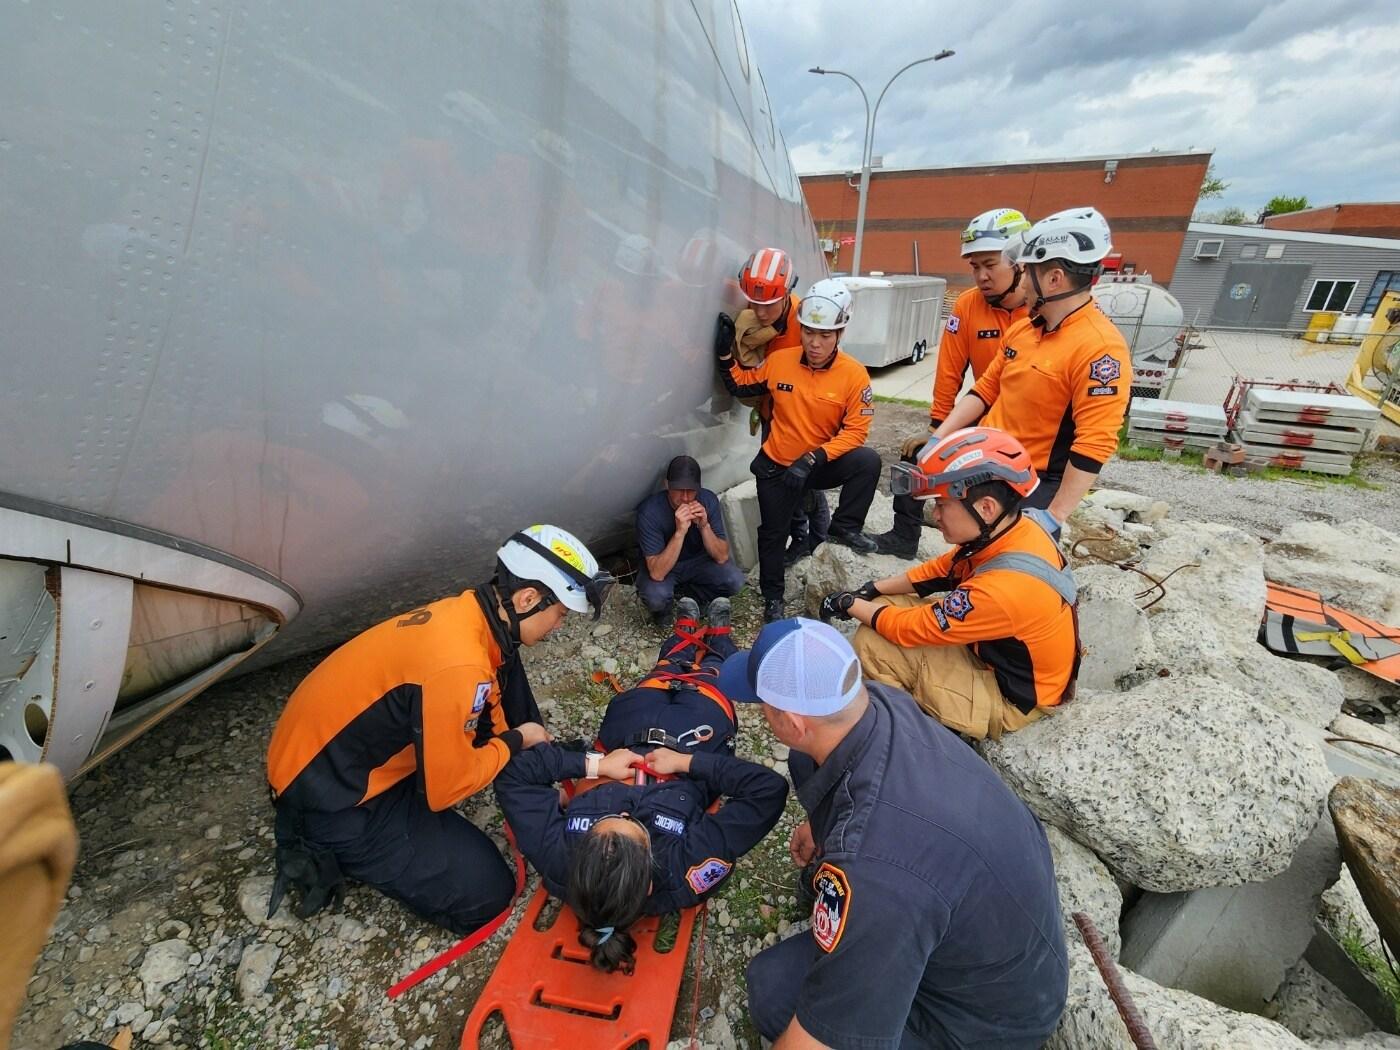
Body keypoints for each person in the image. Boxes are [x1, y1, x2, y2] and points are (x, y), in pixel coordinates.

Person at [718, 618, 1069, 1049]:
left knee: (773, 992)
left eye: (762, 705)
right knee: (806, 764)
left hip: (983, 1024)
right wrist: (822, 826)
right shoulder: (882, 703)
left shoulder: (875, 868)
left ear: (792, 721)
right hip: (996, 945)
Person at [264, 524, 613, 934]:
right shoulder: (459, 666)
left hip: (329, 753)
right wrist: (514, 740)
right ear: (527, 598)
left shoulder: (471, 615)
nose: (559, 628)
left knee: (508, 659)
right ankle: (328, 848)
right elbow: (444, 791)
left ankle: (532, 764)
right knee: (488, 893)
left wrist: (538, 752)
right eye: (559, 616)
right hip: (333, 800)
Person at [495, 597, 787, 973]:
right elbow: (767, 790)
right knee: (710, 678)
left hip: (624, 737)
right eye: (633, 824)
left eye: (606, 819)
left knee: (663, 673)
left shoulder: (560, 857)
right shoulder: (683, 869)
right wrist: (686, 762)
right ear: (650, 881)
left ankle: (683, 637)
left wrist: (597, 764)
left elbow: (513, 776)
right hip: (692, 740)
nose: (624, 809)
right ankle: (718, 642)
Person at [820, 428, 1079, 741]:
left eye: (942, 504)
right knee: (884, 608)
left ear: (986, 508)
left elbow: (912, 628)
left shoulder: (1006, 589)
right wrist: (874, 588)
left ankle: (909, 738)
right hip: (998, 656)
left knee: (871, 645)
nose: (936, 514)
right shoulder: (1014, 530)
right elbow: (945, 568)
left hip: (1011, 699)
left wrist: (849, 604)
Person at [931, 206, 1131, 530]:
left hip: (1034, 483)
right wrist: (938, 439)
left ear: (1053, 279)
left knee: (1005, 569)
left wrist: (1055, 515)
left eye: (1026, 271)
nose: (1021, 283)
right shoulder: (1025, 329)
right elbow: (985, 389)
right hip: (990, 465)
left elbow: (1094, 443)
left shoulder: (1100, 348)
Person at [717, 277, 882, 624]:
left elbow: (856, 433)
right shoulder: (781, 361)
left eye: (824, 335)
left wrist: (813, 459)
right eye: (808, 332)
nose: (815, 342)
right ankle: (772, 598)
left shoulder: (854, 376)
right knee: (772, 534)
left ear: (840, 334)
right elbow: (740, 383)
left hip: (817, 464)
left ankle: (845, 527)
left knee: (867, 461)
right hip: (778, 466)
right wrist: (724, 354)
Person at [873, 208, 1033, 558]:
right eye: (975, 267)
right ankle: (904, 536)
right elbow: (950, 371)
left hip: (1029, 429)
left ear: (1020, 261)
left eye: (990, 265)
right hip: (980, 415)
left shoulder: (1041, 312)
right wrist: (935, 430)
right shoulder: (968, 305)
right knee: (918, 455)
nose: (981, 276)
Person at [716, 247, 831, 565]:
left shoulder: (806, 322)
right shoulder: (758, 319)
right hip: (773, 414)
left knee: (806, 481)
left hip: (804, 417)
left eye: (768, 305)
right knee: (781, 481)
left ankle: (819, 543)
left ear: (787, 294)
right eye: (754, 302)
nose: (760, 311)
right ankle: (799, 538)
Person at [635, 455, 746, 626]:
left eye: (691, 490)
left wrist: (704, 526)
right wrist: (680, 532)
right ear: (667, 485)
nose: (686, 497)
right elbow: (657, 573)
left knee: (735, 580)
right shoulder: (649, 512)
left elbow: (722, 556)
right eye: (679, 490)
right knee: (656, 597)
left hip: (697, 563)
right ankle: (665, 608)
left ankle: (690, 598)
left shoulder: (707, 500)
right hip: (664, 567)